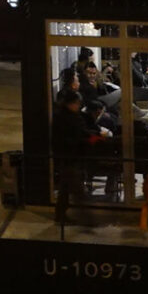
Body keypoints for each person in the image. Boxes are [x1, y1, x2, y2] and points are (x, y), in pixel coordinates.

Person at [50, 87, 109, 226]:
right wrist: (91, 139)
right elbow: (74, 137)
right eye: (77, 103)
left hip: (68, 157)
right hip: (69, 157)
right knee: (78, 191)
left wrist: (93, 135)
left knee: (65, 189)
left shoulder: (67, 116)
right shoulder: (66, 118)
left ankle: (60, 215)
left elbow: (81, 132)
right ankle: (88, 220)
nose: (78, 105)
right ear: (71, 103)